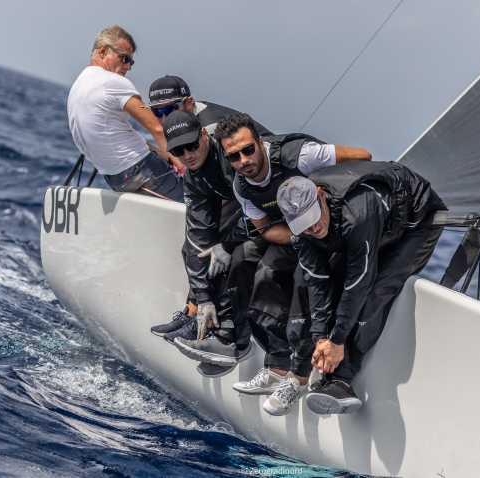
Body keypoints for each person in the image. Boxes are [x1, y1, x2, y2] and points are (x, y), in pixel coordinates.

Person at [170, 112, 371, 416]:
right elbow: (264, 229)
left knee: (304, 279)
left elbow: (363, 157)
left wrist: (337, 202)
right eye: (234, 156)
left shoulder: (301, 155)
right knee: (245, 260)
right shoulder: (242, 185)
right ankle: (259, 353)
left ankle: (303, 374)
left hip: (334, 227)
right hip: (294, 233)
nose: (244, 160)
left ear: (260, 143)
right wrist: (299, 237)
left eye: (248, 150)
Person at [276, 162, 447, 415]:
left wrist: (337, 340)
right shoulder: (303, 231)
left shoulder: (356, 213)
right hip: (375, 226)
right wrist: (321, 336)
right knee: (312, 278)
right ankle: (301, 368)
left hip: (416, 223)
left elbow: (360, 281)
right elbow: (317, 281)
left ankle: (343, 380)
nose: (312, 228)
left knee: (377, 288)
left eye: (312, 218)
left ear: (320, 196)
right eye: (303, 225)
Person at [149, 110, 254, 378]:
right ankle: (201, 317)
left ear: (204, 134)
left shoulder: (232, 157)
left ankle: (233, 340)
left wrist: (228, 246)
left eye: (192, 145)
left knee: (238, 255)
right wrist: (204, 297)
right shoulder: (193, 177)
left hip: (279, 211)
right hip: (248, 211)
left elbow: (258, 211)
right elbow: (198, 237)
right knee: (199, 250)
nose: (187, 155)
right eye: (178, 151)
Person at [67, 25, 184, 202]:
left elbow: (121, 136)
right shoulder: (113, 82)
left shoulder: (79, 83)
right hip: (138, 171)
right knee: (198, 200)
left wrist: (168, 157)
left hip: (114, 177)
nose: (128, 67)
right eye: (124, 58)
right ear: (103, 51)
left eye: (131, 61)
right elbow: (157, 128)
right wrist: (186, 168)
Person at [143, 75, 274, 137]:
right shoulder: (192, 116)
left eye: (170, 109)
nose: (165, 119)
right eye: (157, 112)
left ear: (188, 103)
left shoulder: (209, 127)